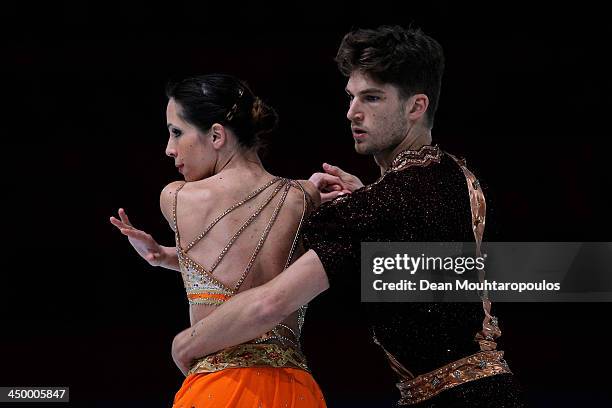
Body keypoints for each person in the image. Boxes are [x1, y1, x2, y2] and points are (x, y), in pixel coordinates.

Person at [169, 26, 525, 406]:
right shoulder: (461, 177)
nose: (352, 112)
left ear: (416, 106)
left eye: (371, 98)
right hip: (496, 391)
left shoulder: (382, 204)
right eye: (351, 97)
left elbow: (269, 304)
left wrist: (185, 344)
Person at [110, 74, 326, 407]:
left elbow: (221, 267)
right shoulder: (303, 196)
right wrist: (165, 255)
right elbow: (255, 268)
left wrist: (166, 255)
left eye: (176, 132)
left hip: (219, 388)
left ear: (216, 135)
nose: (169, 149)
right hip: (296, 390)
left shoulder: (177, 197)